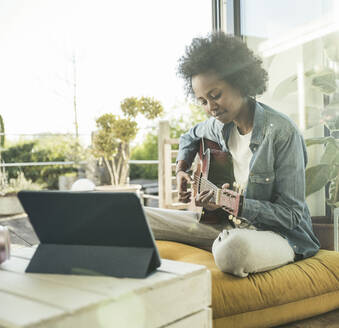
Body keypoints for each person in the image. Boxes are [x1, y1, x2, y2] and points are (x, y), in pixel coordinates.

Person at [144, 32, 320, 277]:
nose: (210, 107)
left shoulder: (282, 132)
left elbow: (291, 215)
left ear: (240, 82)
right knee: (140, 216)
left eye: (215, 95)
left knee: (231, 251)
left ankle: (219, 244)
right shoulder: (219, 125)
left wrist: (231, 203)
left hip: (279, 237)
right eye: (203, 101)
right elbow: (189, 137)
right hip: (228, 226)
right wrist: (182, 169)